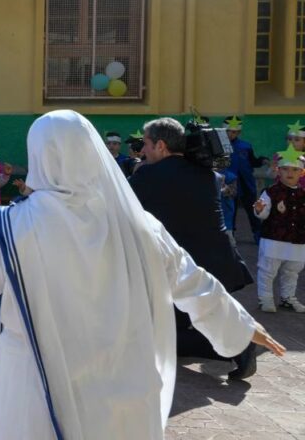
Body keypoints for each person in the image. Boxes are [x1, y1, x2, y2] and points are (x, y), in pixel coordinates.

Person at [0, 110, 284, 440]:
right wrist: (244, 327)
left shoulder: (18, 226)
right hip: (119, 376)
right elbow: (194, 283)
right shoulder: (139, 227)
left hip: (35, 382)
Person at [129, 117, 258, 378]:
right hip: (220, 263)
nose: (142, 150)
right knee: (178, 327)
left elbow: (125, 209)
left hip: (183, 270)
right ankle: (235, 339)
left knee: (157, 337)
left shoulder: (148, 175)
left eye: (146, 144)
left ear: (161, 146)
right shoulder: (207, 173)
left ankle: (240, 345)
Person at [253, 146, 305, 313]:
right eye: (285, 169)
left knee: (292, 272)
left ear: (302, 173)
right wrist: (260, 209)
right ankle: (265, 299)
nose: (290, 173)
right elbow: (263, 213)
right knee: (268, 271)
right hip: (273, 239)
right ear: (278, 171)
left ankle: (288, 298)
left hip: (298, 240)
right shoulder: (270, 192)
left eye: (295, 170)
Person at [224, 116, 265, 242]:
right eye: (228, 131)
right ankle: (230, 236)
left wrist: (262, 160)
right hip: (229, 184)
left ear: (239, 132)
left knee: (252, 210)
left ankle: (258, 234)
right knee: (230, 210)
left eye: (234, 132)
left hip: (245, 184)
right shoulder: (220, 146)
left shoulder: (245, 146)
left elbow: (252, 162)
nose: (231, 134)